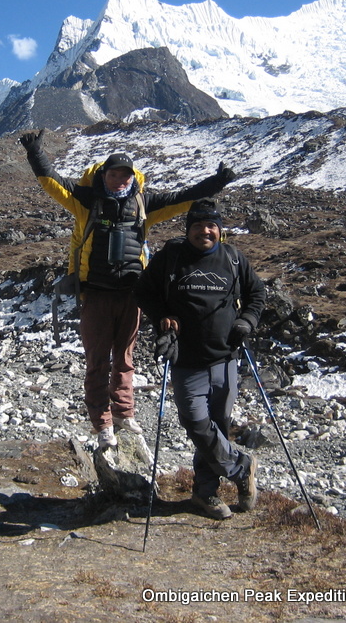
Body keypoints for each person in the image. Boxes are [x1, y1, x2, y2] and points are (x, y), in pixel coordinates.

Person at [19, 129, 235, 449]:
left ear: (133, 178)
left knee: (125, 359)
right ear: (104, 175)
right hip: (95, 294)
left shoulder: (144, 203)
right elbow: (52, 181)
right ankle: (102, 423)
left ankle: (123, 413)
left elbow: (183, 198)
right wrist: (35, 151)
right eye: (114, 173)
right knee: (97, 361)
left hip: (133, 295)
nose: (119, 179)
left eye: (125, 174)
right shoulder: (86, 201)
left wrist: (218, 182)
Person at [134, 198, 267, 519]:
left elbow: (257, 294)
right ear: (188, 229)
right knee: (196, 423)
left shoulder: (234, 260)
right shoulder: (171, 257)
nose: (204, 232)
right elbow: (142, 291)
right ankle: (241, 468)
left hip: (225, 359)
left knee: (217, 428)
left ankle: (205, 493)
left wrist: (246, 321)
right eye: (197, 226)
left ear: (219, 230)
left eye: (210, 226)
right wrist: (162, 315)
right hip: (186, 360)